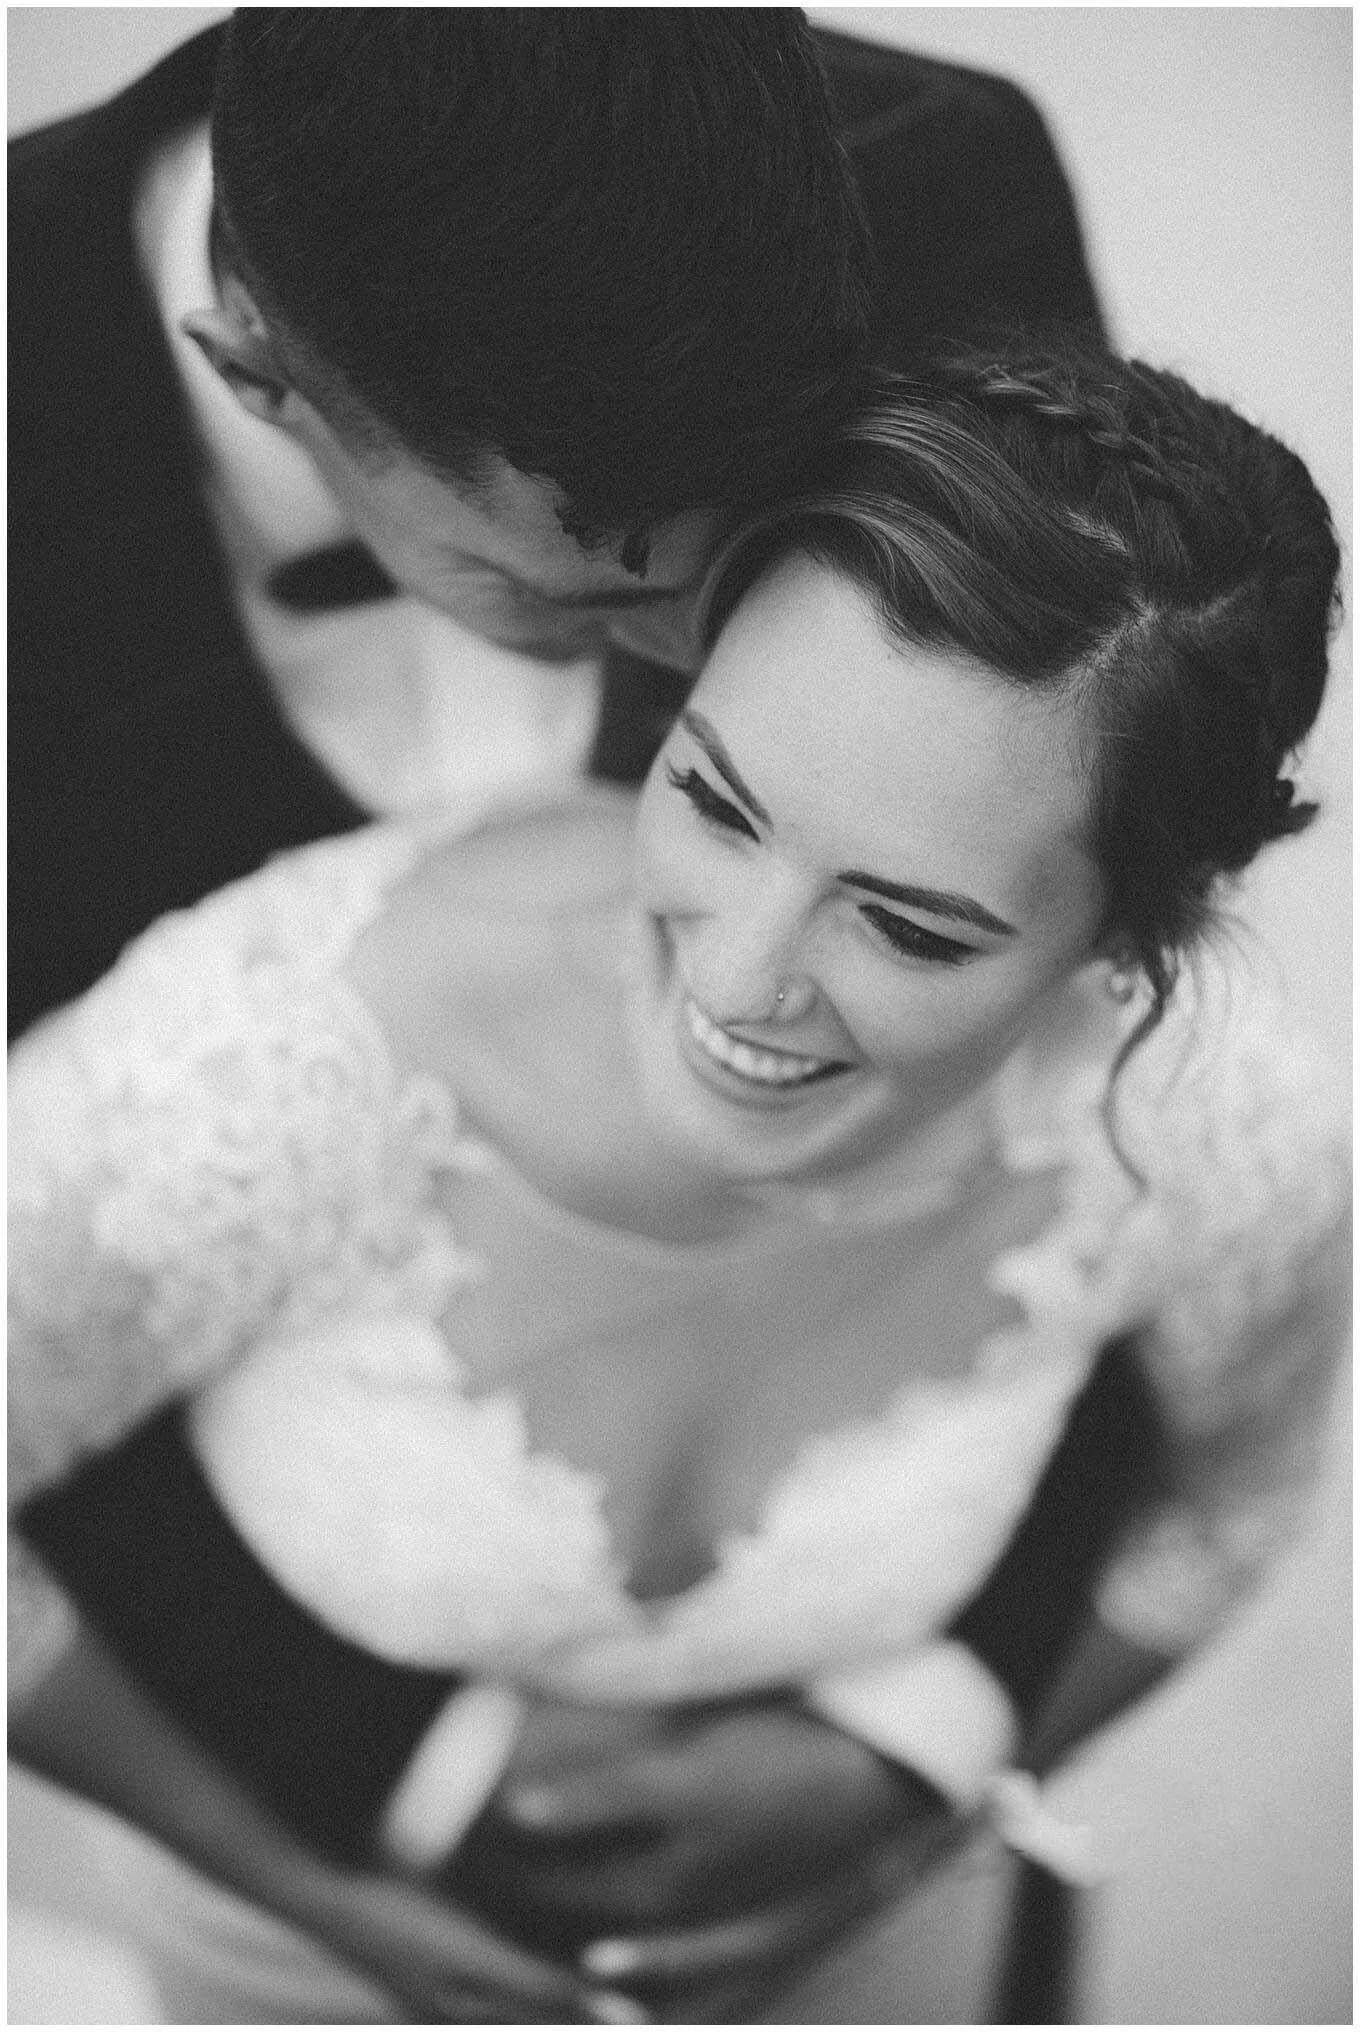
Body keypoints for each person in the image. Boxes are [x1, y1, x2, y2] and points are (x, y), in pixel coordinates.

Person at [11, 339, 1348, 2023]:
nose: (739, 979)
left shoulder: (1215, 1135)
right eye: (714, 798)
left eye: (913, 923)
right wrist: (307, 1884)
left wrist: (928, 1770)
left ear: (1138, 940)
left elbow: (1228, 1505)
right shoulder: (273, 1064)